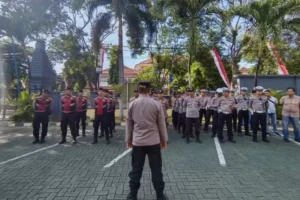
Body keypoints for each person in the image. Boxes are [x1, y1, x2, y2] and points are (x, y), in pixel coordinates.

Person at [126, 81, 168, 200]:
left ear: (139, 90)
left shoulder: (132, 104)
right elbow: (161, 123)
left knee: (136, 169)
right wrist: (164, 139)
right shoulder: (156, 103)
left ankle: (132, 195)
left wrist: (128, 139)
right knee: (156, 169)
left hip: (138, 142)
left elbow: (129, 124)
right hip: (153, 142)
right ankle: (160, 195)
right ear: (149, 90)